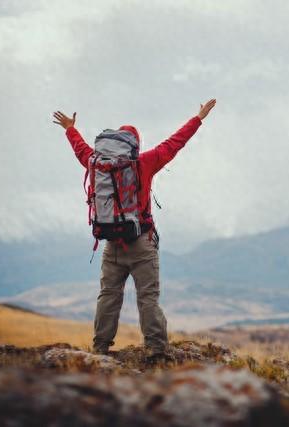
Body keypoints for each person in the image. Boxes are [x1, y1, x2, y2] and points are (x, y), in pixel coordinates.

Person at [52, 99, 217, 360]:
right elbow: (175, 143)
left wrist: (70, 129)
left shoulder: (97, 164)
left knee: (108, 295)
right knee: (147, 298)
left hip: (112, 242)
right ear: (134, 145)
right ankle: (157, 351)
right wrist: (198, 118)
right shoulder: (144, 162)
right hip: (141, 242)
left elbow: (81, 150)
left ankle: (100, 349)